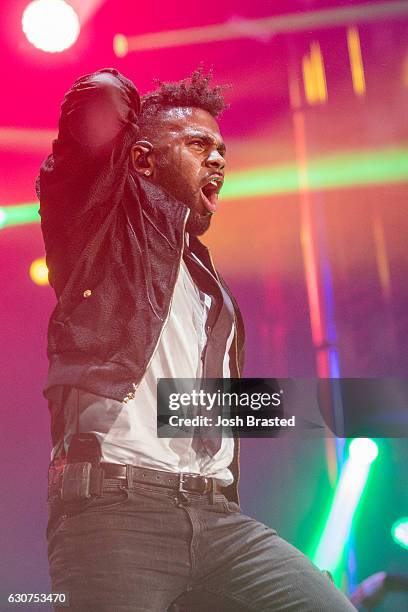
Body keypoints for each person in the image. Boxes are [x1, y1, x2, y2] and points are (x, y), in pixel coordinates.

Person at [37, 67, 356, 611]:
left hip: (217, 517)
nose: (218, 160)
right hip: (117, 512)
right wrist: (155, 113)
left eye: (222, 150)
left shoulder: (207, 285)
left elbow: (187, 407)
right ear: (142, 159)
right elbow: (100, 99)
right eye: (197, 144)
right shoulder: (102, 238)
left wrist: (370, 408)